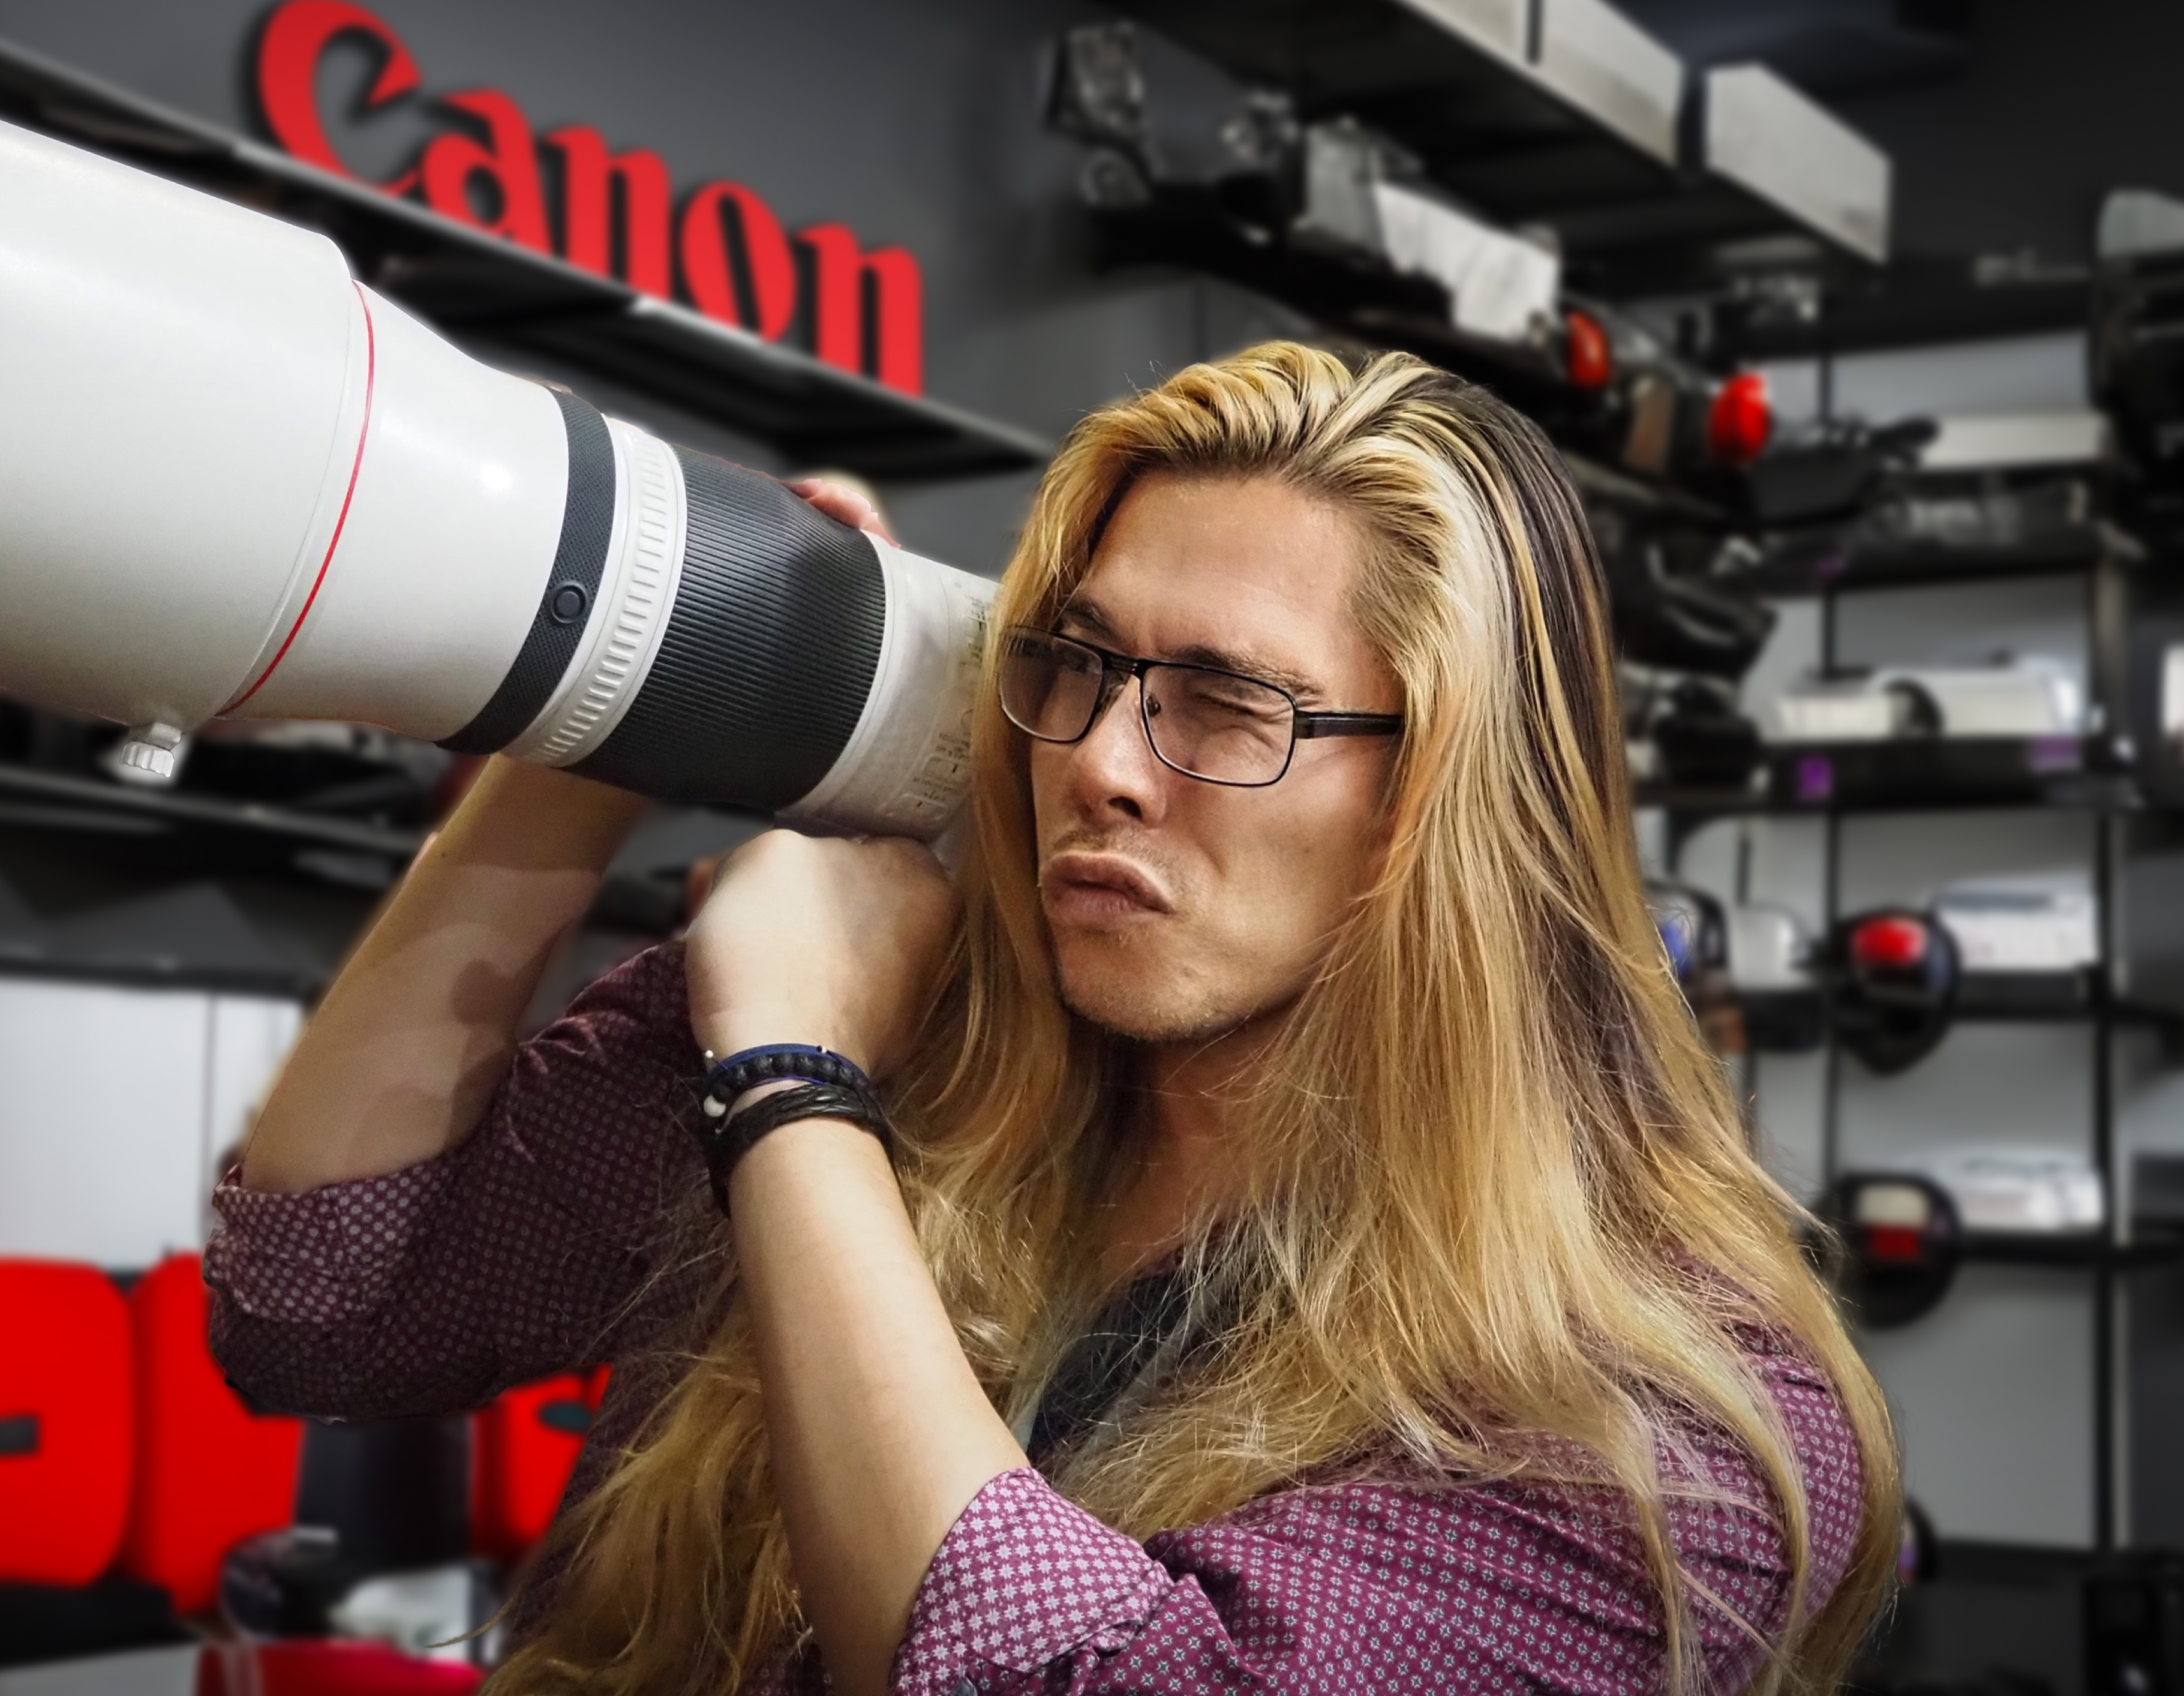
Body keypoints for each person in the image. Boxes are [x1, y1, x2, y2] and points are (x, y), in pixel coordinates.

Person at [208, 343, 1900, 1695]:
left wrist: (795, 1094)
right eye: (1076, 667)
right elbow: (317, 1306)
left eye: (1224, 705)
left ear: (1442, 802)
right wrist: (609, 708)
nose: (1096, 763)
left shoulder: (1661, 1421)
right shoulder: (924, 1056)